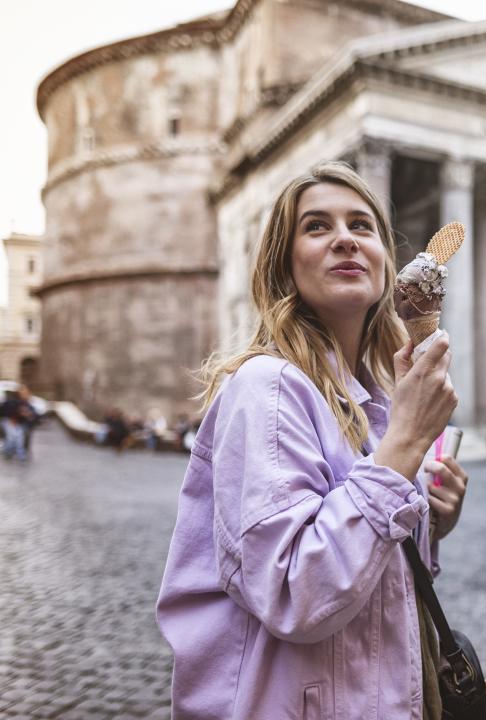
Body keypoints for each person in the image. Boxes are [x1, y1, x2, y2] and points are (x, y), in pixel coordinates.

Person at [156, 162, 466, 719]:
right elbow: (297, 593)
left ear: (385, 263)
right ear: (285, 262)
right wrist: (402, 451)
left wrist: (430, 519)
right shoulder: (267, 386)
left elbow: (376, 590)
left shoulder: (375, 402)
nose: (345, 237)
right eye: (317, 226)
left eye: (362, 226)